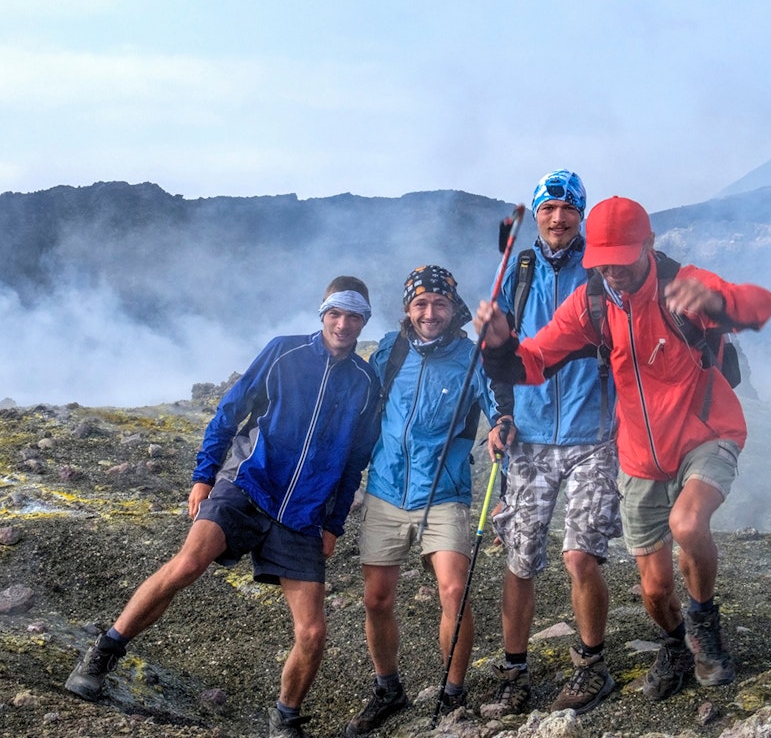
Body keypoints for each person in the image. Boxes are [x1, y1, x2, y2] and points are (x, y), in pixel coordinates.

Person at [476, 196, 771, 702]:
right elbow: (532, 362)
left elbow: (760, 305)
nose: (613, 270)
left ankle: (704, 624)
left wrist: (717, 303)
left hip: (707, 433)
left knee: (687, 523)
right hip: (639, 455)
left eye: (624, 258)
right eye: (603, 261)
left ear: (650, 245)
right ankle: (678, 643)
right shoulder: (592, 301)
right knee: (655, 591)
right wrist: (501, 343)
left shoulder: (683, 284)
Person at [65, 276, 381, 738]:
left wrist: (333, 523)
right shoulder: (284, 352)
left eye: (354, 316)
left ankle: (284, 718)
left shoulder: (366, 382)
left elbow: (356, 461)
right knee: (189, 563)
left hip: (303, 514)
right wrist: (203, 476)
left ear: (364, 321)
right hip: (247, 484)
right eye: (336, 313)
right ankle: (103, 654)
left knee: (312, 633)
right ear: (322, 313)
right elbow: (230, 411)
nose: (343, 323)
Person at [477, 171, 623, 719]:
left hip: (595, 435)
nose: (557, 217)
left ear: (580, 214)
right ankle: (513, 673)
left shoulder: (602, 270)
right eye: (548, 208)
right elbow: (497, 361)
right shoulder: (519, 273)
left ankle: (591, 664)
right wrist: (500, 415)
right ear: (535, 214)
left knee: (581, 555)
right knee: (521, 558)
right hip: (531, 436)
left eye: (567, 208)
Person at [345, 265, 503, 736]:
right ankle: (388, 689)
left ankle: (453, 693)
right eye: (420, 304)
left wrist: (502, 437)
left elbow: (500, 415)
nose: (429, 313)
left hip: (446, 492)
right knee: (377, 599)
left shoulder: (473, 360)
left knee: (454, 591)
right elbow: (363, 406)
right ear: (408, 310)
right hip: (387, 490)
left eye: (438, 304)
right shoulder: (390, 352)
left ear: (453, 308)